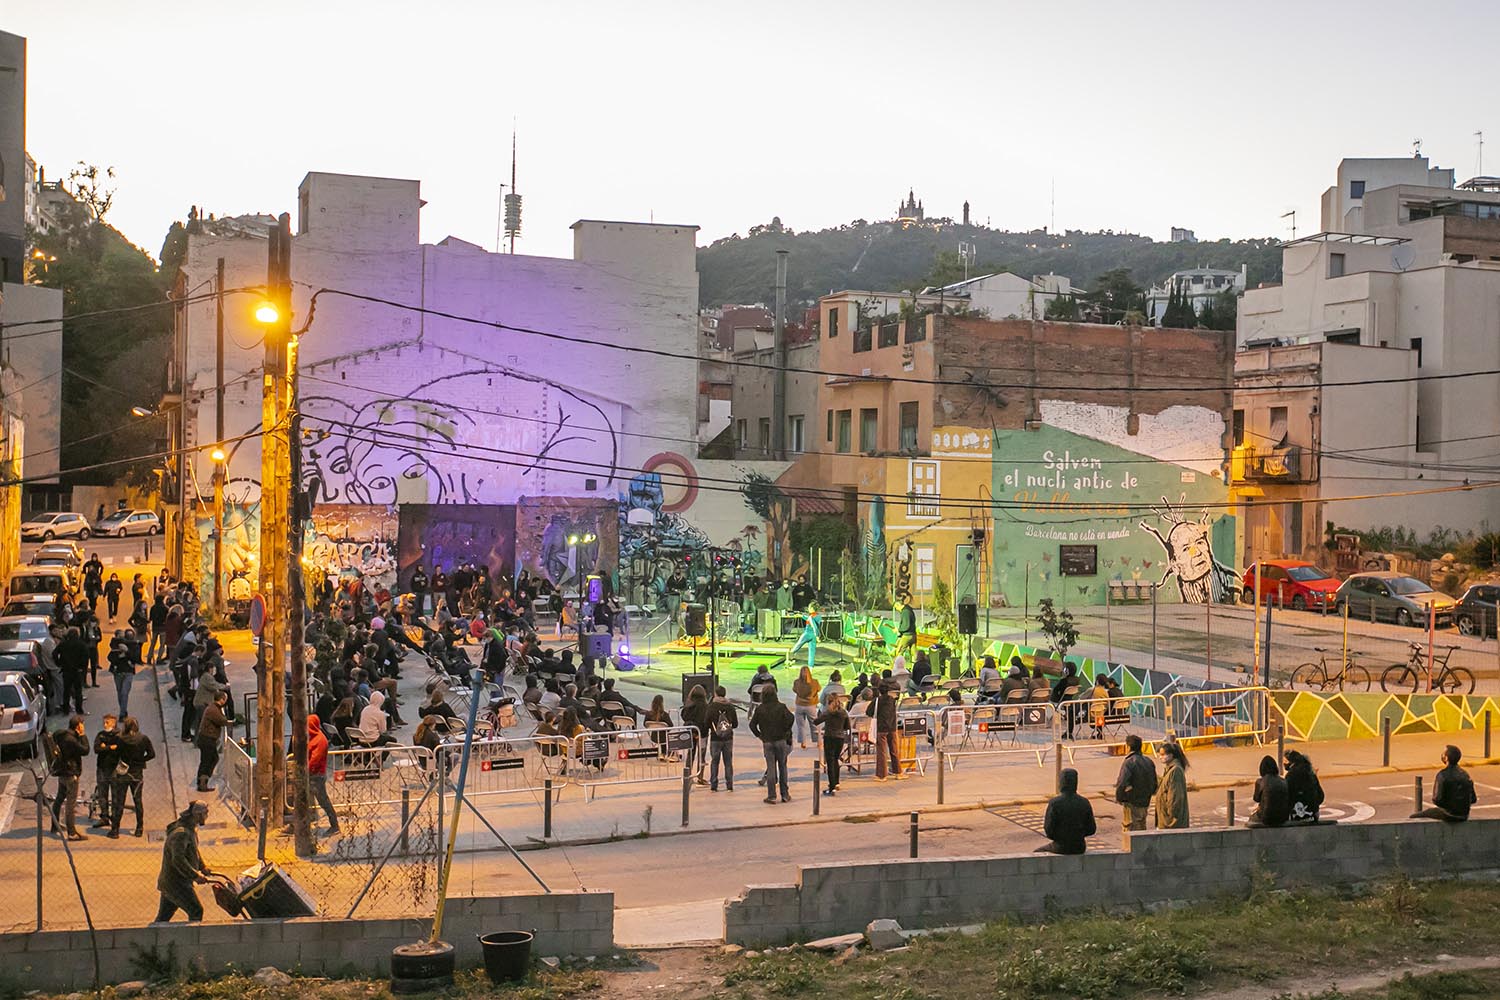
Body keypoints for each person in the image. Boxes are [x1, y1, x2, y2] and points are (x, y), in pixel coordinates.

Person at [154, 801, 214, 923]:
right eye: (205, 814)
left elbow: (193, 851)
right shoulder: (181, 833)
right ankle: (192, 940)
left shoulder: (190, 828)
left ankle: (150, 940)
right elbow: (178, 859)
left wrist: (202, 867)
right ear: (197, 815)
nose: (206, 816)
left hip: (171, 882)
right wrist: (195, 875)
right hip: (177, 883)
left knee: (163, 918)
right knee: (196, 910)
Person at [110, 715, 155, 838]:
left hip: (123, 772)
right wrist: (141, 760)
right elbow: (152, 754)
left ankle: (115, 830)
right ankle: (139, 828)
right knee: (138, 801)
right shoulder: (143, 739)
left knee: (119, 801)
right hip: (137, 774)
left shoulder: (121, 739)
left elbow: (116, 754)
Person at [749, 684, 794, 803]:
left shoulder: (760, 709)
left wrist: (760, 736)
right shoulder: (781, 707)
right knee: (783, 767)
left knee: (771, 768)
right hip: (781, 740)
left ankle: (772, 795)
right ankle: (785, 794)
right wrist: (785, 730)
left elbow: (752, 725)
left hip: (767, 741)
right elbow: (791, 719)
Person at [1038, 767, 1097, 854]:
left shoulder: (1054, 803)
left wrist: (1061, 837)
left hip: (1060, 846)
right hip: (1079, 846)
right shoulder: (1084, 802)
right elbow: (1091, 829)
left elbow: (1049, 830)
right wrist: (1078, 835)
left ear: (1060, 783)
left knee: (1037, 853)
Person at [1411, 745, 1477, 822]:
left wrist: (1450, 806)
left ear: (1446, 758)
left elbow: (1437, 799)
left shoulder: (1442, 775)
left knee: (1414, 816)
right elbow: (1473, 799)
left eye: (1443, 754)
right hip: (1464, 815)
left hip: (1450, 815)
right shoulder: (1465, 775)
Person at [50, 714, 90, 840]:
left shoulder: (61, 735)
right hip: (71, 774)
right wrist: (83, 735)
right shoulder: (71, 740)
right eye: (82, 724)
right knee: (70, 804)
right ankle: (71, 833)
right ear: (78, 726)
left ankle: (54, 825)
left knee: (59, 799)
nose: (83, 726)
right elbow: (85, 750)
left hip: (62, 772)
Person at [1114, 734, 1158, 831]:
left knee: (1131, 830)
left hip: (1132, 803)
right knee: (1142, 826)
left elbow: (1122, 783)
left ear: (1128, 747)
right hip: (1145, 802)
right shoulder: (1149, 761)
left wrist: (1119, 797)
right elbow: (1155, 783)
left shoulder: (1129, 762)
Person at [306, 713, 340, 834]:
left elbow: (314, 760)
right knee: (303, 799)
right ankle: (302, 823)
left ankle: (334, 825)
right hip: (312, 774)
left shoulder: (319, 741)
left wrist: (305, 770)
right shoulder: (313, 737)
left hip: (316, 776)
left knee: (323, 801)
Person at [813, 694, 850, 796]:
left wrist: (819, 714)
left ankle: (832, 786)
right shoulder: (843, 712)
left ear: (828, 703)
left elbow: (816, 722)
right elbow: (847, 726)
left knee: (830, 761)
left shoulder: (828, 713)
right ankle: (837, 783)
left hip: (830, 737)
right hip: (840, 738)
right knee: (836, 760)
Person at [91, 714, 122, 831]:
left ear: (113, 724)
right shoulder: (100, 735)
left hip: (114, 769)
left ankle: (114, 817)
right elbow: (96, 749)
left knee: (115, 795)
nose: (105, 725)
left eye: (107, 723)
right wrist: (110, 748)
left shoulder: (119, 736)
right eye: (104, 722)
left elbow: (119, 750)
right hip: (102, 768)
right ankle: (104, 816)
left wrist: (105, 747)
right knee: (102, 794)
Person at [705, 686, 738, 792]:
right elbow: (736, 724)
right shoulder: (730, 707)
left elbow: (706, 722)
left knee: (715, 761)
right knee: (728, 762)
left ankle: (714, 785)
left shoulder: (711, 707)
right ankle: (729, 785)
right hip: (728, 738)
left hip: (715, 737)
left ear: (715, 694)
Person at [195, 691, 230, 792]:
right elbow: (222, 721)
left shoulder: (213, 707)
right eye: (225, 699)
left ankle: (203, 780)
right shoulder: (213, 710)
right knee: (208, 760)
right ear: (222, 700)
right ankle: (202, 782)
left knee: (211, 759)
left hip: (206, 738)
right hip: (207, 739)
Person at [867, 681, 902, 781]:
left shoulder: (877, 701)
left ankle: (882, 775)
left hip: (881, 728)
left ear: (879, 691)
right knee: (894, 750)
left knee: (881, 752)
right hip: (892, 727)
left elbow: (869, 712)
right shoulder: (892, 700)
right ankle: (898, 772)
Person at [679, 684, 712, 785]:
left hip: (690, 732)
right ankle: (700, 777)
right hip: (702, 733)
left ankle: (688, 775)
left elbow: (684, 716)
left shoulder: (688, 704)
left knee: (690, 755)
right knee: (701, 756)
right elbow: (705, 720)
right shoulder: (705, 706)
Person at [1156, 741, 1191, 829]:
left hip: (1171, 823)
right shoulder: (1169, 769)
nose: (1161, 757)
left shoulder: (1175, 771)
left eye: (1163, 754)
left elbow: (1174, 797)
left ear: (1171, 755)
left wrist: (1170, 814)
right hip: (1167, 820)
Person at [1248, 755, 1290, 828]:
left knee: (1251, 819)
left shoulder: (1260, 781)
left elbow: (1256, 799)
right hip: (1283, 817)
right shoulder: (1283, 781)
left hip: (1267, 818)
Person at [1284, 750, 1325, 823]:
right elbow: (1320, 796)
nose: (1284, 764)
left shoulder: (1290, 776)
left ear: (1291, 763)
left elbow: (1286, 798)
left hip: (1295, 816)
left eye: (1286, 761)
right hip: (1312, 815)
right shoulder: (1311, 774)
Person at [55, 626, 88, 715]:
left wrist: (59, 663)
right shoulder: (81, 644)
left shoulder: (63, 644)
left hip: (66, 670)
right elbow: (85, 657)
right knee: (78, 691)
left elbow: (54, 653)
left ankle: (66, 710)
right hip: (77, 671)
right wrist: (82, 667)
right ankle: (79, 709)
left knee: (66, 690)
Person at [108, 631, 138, 716]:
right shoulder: (116, 645)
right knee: (120, 692)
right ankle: (123, 710)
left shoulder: (134, 646)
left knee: (124, 693)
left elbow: (136, 659)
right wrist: (119, 656)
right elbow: (110, 657)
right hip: (117, 672)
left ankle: (121, 714)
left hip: (128, 672)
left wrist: (127, 651)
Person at [792, 666, 822, 749]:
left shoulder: (796, 682)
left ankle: (803, 742)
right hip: (811, 705)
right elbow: (819, 689)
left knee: (801, 725)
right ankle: (818, 742)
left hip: (799, 705)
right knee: (814, 724)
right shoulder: (815, 682)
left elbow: (794, 690)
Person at [892, 596, 917, 661]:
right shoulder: (909, 610)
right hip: (913, 635)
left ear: (898, 605)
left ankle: (896, 666)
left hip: (907, 636)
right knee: (914, 653)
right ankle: (916, 666)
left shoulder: (905, 612)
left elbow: (906, 625)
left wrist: (898, 630)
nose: (897, 609)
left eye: (896, 607)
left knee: (899, 651)